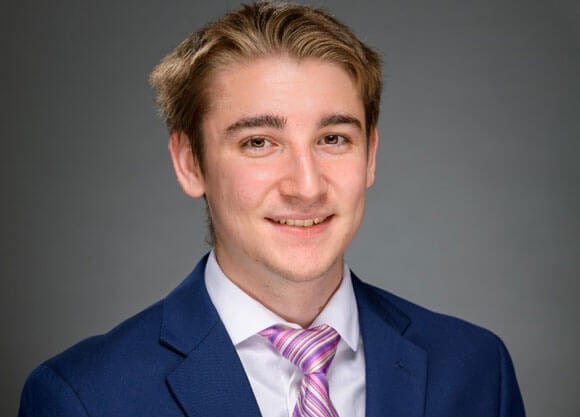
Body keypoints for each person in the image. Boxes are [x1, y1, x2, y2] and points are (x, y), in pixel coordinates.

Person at [18, 2, 525, 416]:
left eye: (332, 138)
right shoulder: (84, 398)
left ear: (371, 154)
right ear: (190, 162)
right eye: (260, 142)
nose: (306, 186)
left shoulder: (477, 370)